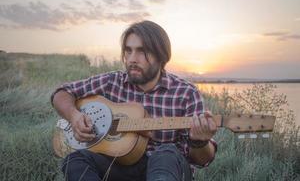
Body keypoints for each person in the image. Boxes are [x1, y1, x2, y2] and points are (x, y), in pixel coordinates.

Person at [51, 20, 217, 181]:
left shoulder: (186, 93)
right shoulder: (112, 81)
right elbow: (62, 92)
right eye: (128, 51)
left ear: (161, 55)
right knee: (75, 160)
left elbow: (203, 160)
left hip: (166, 170)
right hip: (117, 165)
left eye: (141, 51)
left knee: (166, 152)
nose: (132, 59)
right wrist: (74, 116)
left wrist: (199, 142)